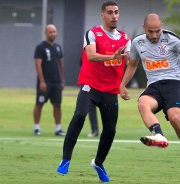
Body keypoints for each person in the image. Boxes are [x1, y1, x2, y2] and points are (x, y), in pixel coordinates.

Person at [119, 13, 180, 177]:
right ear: (144, 29)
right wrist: (122, 84)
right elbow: (133, 65)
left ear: (161, 26)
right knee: (142, 103)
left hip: (174, 83)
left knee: (174, 117)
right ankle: (158, 135)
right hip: (154, 85)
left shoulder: (171, 39)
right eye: (151, 32)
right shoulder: (137, 42)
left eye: (157, 31)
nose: (155, 35)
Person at [57, 1, 131, 182]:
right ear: (102, 15)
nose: (114, 16)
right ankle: (66, 159)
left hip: (110, 90)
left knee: (110, 130)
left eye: (116, 12)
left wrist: (123, 85)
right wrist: (111, 56)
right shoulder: (93, 33)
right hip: (90, 85)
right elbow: (91, 55)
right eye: (110, 12)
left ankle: (98, 163)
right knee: (80, 115)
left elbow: (130, 63)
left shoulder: (125, 38)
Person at [33, 24, 66, 136]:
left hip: (56, 82)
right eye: (50, 32)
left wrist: (62, 80)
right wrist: (42, 81)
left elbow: (61, 64)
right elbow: (38, 64)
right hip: (45, 82)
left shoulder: (58, 47)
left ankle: (58, 128)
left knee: (57, 105)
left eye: (54, 32)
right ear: (46, 33)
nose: (53, 34)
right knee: (39, 104)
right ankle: (36, 128)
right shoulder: (40, 47)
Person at [79, 57, 99, 137]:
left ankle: (106, 131)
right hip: (90, 82)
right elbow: (82, 64)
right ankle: (95, 130)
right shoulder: (87, 52)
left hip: (101, 83)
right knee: (90, 107)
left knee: (107, 109)